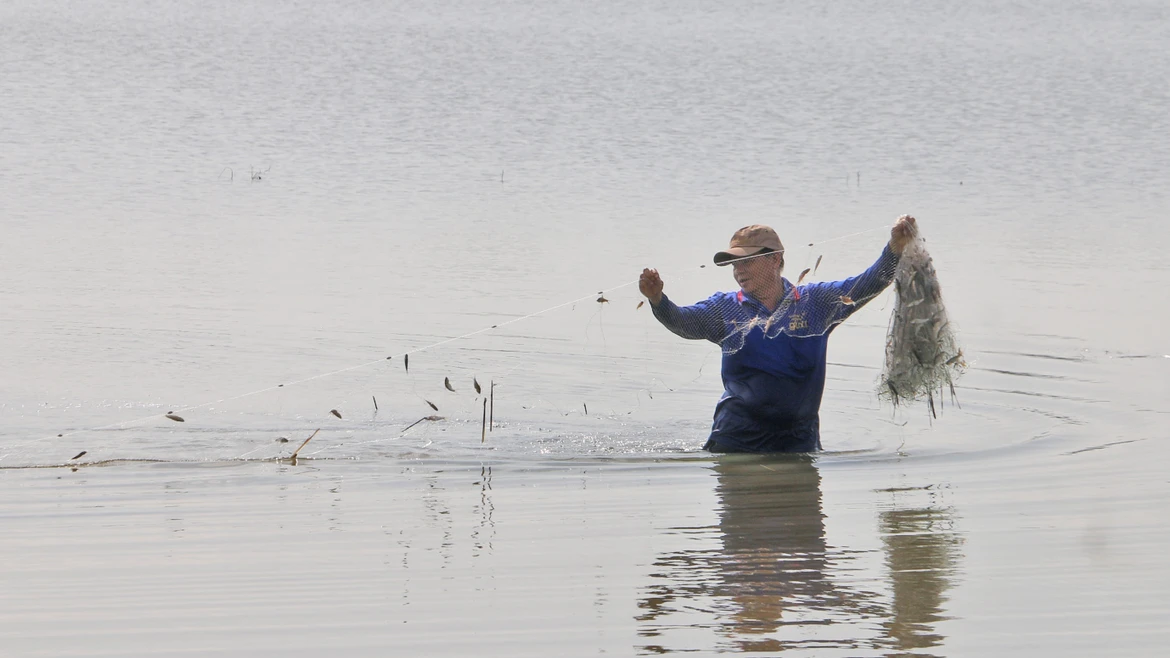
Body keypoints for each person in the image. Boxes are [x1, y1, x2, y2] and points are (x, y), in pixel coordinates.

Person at [639, 215, 917, 453]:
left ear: (775, 259)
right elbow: (682, 323)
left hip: (800, 444)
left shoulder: (816, 304)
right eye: (734, 265)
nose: (738, 271)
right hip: (736, 443)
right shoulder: (725, 308)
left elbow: (869, 282)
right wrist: (658, 300)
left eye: (745, 262)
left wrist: (895, 248)